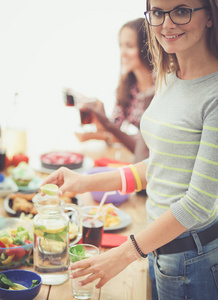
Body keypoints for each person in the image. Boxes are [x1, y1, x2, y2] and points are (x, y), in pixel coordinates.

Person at [42, 0, 218, 299]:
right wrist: (82, 181)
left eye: (181, 10)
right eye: (158, 13)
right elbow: (159, 167)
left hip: (193, 258)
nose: (166, 24)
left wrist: (123, 254)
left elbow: (198, 202)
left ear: (210, 16)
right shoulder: (169, 78)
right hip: (158, 248)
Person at [74, 18, 155, 163]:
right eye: (121, 46)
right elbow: (113, 128)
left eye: (129, 46)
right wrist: (98, 115)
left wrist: (101, 130)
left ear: (147, 47)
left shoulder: (161, 88)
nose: (122, 53)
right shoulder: (128, 85)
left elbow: (145, 146)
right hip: (135, 159)